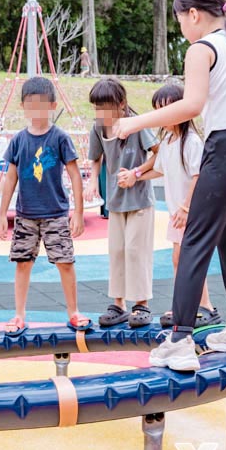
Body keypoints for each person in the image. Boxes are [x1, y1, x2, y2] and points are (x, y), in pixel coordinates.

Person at [112, 0, 226, 372]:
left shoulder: (202, 49)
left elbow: (192, 105)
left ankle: (180, 340)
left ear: (192, 14)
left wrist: (133, 124)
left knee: (195, 242)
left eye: (180, 22)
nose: (182, 31)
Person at [0, 76, 91, 334]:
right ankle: (18, 314)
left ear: (52, 106)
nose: (36, 110)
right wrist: (3, 213)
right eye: (31, 104)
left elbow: (74, 175)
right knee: (22, 262)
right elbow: (10, 178)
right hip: (26, 214)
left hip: (56, 214)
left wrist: (79, 213)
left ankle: (73, 311)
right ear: (23, 107)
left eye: (41, 104)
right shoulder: (18, 140)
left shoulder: (60, 137)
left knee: (65, 262)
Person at [123, 83, 219, 328]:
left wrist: (187, 208)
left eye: (165, 110)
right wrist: (136, 175)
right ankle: (189, 304)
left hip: (191, 211)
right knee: (181, 259)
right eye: (158, 110)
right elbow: (158, 169)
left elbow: (199, 175)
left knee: (186, 257)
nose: (161, 116)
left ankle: (201, 306)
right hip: (180, 212)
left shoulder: (192, 142)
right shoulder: (169, 141)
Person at [85, 78, 159, 328]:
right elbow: (96, 158)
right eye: (97, 108)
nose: (101, 113)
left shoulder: (137, 125)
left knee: (136, 251)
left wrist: (136, 173)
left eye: (105, 108)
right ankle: (119, 304)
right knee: (117, 251)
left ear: (121, 104)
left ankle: (141, 304)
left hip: (139, 200)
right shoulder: (98, 127)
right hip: (115, 201)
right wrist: (93, 181)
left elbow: (159, 153)